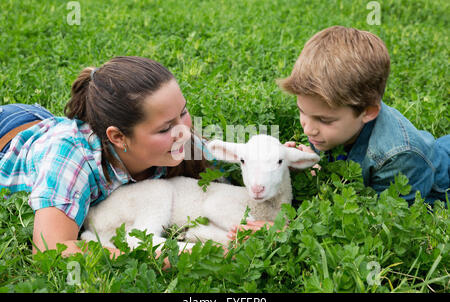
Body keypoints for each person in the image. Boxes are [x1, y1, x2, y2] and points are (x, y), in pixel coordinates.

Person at [229, 25, 449, 238]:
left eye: (323, 120)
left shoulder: (400, 156)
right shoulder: (336, 123)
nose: (308, 127)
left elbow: (382, 225)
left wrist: (291, 232)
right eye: (302, 111)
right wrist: (314, 161)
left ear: (368, 112)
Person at [0, 56, 208, 258]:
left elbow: (238, 165)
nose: (184, 132)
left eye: (183, 112)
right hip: (7, 135)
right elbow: (50, 250)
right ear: (118, 137)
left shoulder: (180, 139)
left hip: (40, 122)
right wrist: (168, 256)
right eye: (165, 129)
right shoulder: (71, 158)